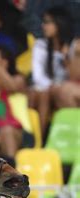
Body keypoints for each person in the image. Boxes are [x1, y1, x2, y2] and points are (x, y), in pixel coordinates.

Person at [30, 6, 73, 136]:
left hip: (63, 90)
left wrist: (66, 58)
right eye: (44, 22)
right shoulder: (40, 45)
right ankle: (39, 139)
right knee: (43, 94)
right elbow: (38, 76)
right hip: (44, 90)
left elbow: (73, 77)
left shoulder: (73, 47)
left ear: (60, 23)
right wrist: (52, 86)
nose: (44, 26)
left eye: (48, 22)